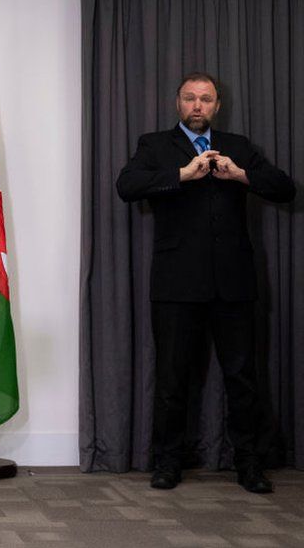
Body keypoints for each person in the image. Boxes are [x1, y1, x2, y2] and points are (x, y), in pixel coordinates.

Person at [116, 72, 295, 494]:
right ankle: (167, 463)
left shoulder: (238, 146)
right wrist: (182, 173)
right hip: (177, 284)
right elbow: (126, 186)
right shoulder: (154, 145)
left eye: (206, 100)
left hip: (234, 284)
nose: (198, 106)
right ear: (178, 103)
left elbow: (285, 189)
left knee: (243, 379)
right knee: (173, 379)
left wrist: (241, 176)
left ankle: (249, 465)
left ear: (217, 106)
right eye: (190, 99)